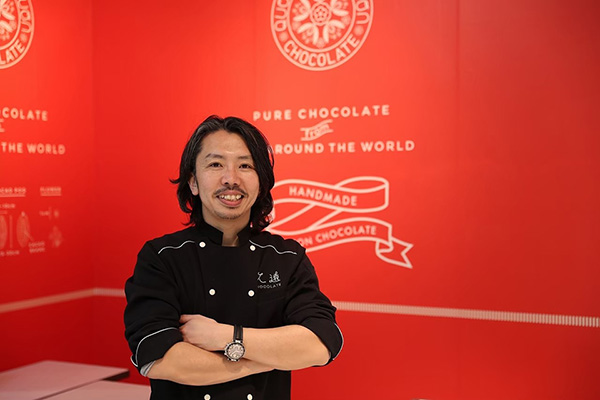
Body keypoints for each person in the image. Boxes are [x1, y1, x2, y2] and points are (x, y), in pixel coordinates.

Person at [124, 115, 343, 399]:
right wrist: (268, 360)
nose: (231, 179)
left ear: (261, 183)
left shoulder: (286, 257)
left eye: (245, 166)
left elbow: (320, 343)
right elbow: (160, 358)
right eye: (215, 164)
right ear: (193, 182)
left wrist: (226, 337)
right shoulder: (162, 257)